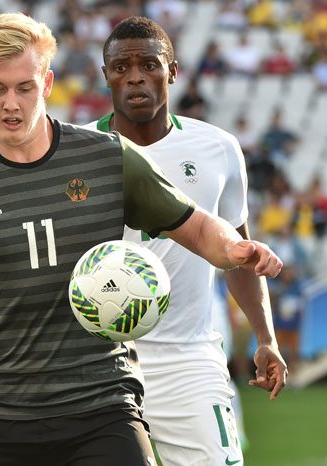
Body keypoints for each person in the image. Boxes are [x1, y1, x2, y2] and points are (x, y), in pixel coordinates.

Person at [0, 13, 282, 466]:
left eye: (24, 87)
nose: (11, 104)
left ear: (47, 83)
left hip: (103, 409)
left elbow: (198, 226)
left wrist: (233, 249)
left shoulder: (107, 158)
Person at [88, 17, 287, 465]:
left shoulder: (217, 148)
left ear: (172, 71)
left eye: (149, 65)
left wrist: (265, 338)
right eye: (121, 67)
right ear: (106, 75)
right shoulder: (76, 151)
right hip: (99, 365)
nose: (135, 76)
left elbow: (238, 254)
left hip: (189, 359)